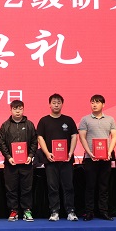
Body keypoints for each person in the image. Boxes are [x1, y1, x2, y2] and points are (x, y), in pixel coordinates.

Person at [36, 93, 78, 222]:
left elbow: (74, 136)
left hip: (66, 160)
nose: (56, 105)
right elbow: (40, 138)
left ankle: (70, 211)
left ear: (62, 104)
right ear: (49, 104)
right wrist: (47, 153)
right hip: (50, 160)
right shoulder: (44, 121)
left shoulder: (68, 120)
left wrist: (70, 152)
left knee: (68, 186)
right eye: (54, 102)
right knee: (52, 187)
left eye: (58, 102)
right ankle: (54, 211)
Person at [78, 95, 116, 221]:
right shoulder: (85, 119)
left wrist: (109, 152)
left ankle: (103, 211)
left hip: (105, 158)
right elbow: (82, 137)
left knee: (104, 186)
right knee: (90, 186)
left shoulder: (110, 119)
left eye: (97, 102)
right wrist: (89, 152)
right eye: (92, 103)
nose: (94, 105)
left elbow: (114, 136)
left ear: (103, 104)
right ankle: (89, 212)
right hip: (90, 158)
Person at [0, 100, 38, 222]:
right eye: (15, 109)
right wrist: (8, 157)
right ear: (10, 110)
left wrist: (30, 155)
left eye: (20, 108)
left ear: (23, 110)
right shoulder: (5, 126)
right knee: (11, 188)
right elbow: (1, 143)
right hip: (10, 163)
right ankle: (13, 210)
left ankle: (27, 210)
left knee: (27, 188)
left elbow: (34, 141)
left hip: (26, 163)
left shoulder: (29, 125)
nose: (17, 111)